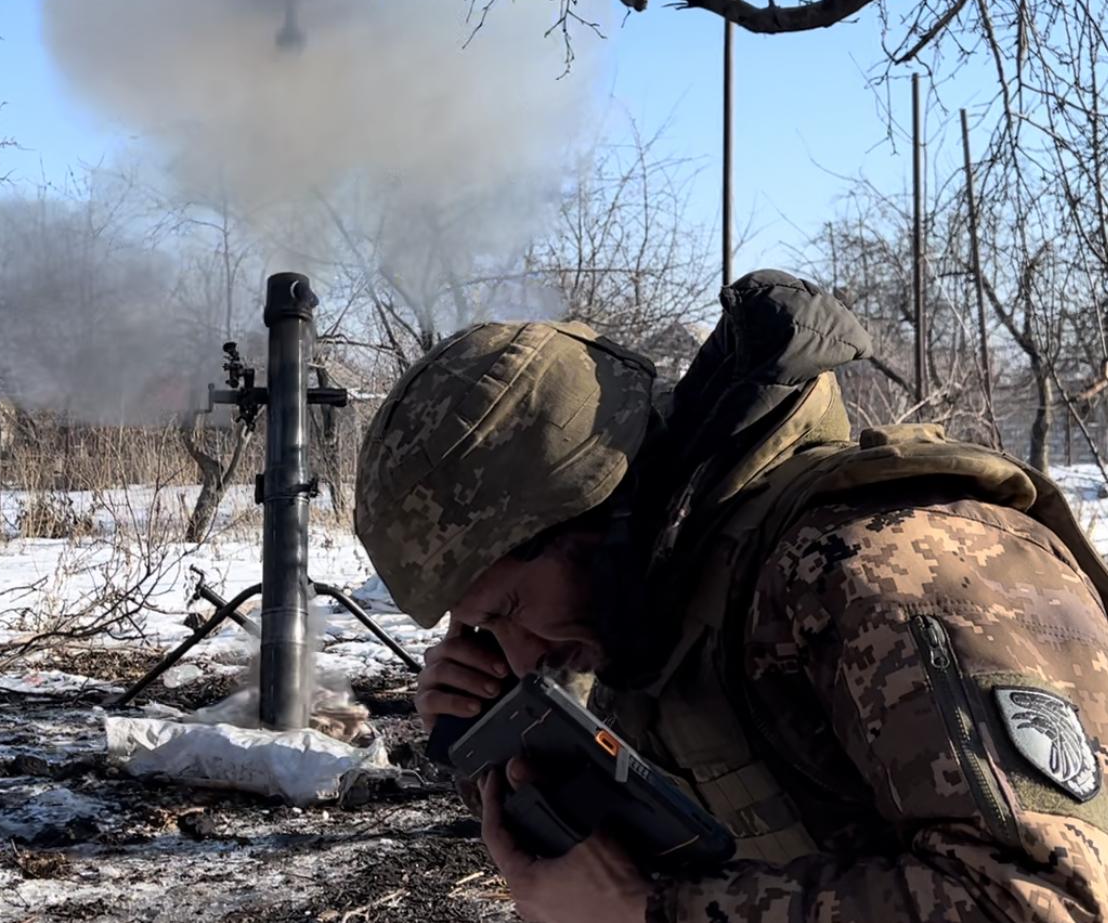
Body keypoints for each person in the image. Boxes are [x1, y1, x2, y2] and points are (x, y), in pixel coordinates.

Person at [353, 270, 1108, 923]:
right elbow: (674, 832)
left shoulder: (889, 563)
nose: (517, 657)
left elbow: (1043, 902)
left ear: (598, 511)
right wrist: (502, 748)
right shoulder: (661, 608)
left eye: (509, 611)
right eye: (481, 629)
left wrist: (655, 912)